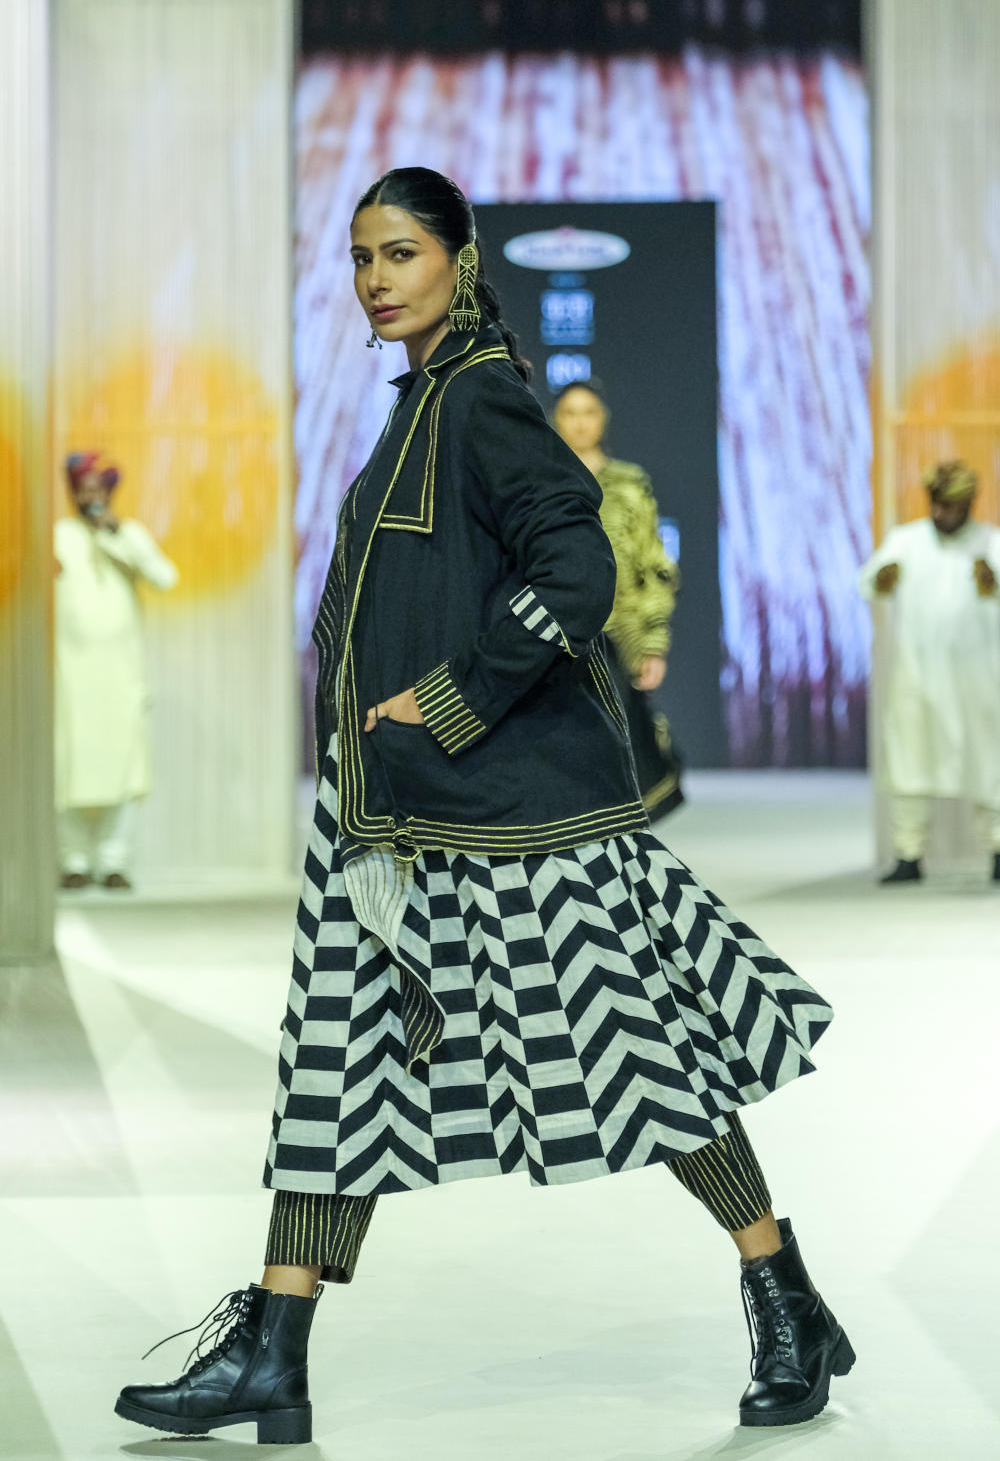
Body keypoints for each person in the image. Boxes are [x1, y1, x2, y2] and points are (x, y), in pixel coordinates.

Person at [115, 168, 852, 1444]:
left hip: (510, 820)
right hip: (390, 816)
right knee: (333, 1074)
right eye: (361, 258)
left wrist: (451, 697)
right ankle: (273, 1352)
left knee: (641, 1062)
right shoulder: (423, 403)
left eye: (400, 252)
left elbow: (580, 566)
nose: (376, 278)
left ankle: (783, 1293)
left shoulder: (483, 397)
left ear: (460, 259)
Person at [859, 459, 1000, 884]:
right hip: (916, 676)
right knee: (910, 760)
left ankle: (998, 848)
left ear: (968, 504)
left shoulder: (991, 542)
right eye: (936, 504)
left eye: (950, 506)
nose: (941, 513)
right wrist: (883, 580)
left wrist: (992, 583)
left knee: (989, 763)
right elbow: (869, 582)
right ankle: (908, 854)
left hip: (977, 680)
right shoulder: (907, 541)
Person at [552, 379, 684, 820]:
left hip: (616, 639)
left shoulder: (629, 483)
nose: (579, 423)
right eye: (570, 413)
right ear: (555, 419)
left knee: (624, 756)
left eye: (589, 412)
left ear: (603, 419)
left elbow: (653, 565)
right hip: (552, 636)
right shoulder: (540, 478)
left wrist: (653, 643)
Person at [54, 452, 178, 890]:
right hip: (70, 675)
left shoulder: (129, 533)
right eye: (82, 488)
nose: (89, 496)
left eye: (97, 488)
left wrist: (118, 535)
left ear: (108, 492)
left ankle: (113, 860)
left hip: (122, 676)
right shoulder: (59, 536)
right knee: (71, 769)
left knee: (124, 769)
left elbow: (165, 578)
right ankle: (73, 860)